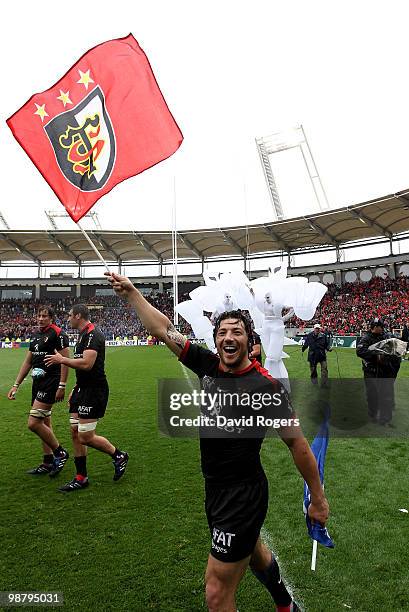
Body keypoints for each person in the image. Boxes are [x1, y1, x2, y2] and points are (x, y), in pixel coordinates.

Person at [106, 272, 329, 612]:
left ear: (248, 341)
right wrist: (134, 293)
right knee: (254, 552)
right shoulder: (208, 367)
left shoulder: (265, 387)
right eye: (222, 332)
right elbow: (163, 330)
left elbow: (297, 445)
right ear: (215, 339)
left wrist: (317, 497)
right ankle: (286, 605)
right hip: (215, 487)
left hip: (242, 493)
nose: (228, 336)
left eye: (236, 332)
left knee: (216, 592)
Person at [44, 304, 129, 492]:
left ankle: (118, 456)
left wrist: (62, 360)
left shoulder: (93, 334)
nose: (67, 319)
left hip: (94, 390)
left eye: (69, 316)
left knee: (85, 436)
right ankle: (81, 477)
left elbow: (88, 363)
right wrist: (75, 387)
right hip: (82, 389)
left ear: (79, 316)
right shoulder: (82, 334)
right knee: (75, 432)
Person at [7, 306, 70, 476]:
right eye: (39, 315)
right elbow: (28, 362)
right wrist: (16, 384)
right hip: (38, 383)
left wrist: (62, 385)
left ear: (51, 318)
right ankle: (48, 462)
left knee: (33, 423)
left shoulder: (58, 334)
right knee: (44, 423)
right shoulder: (35, 336)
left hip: (51, 382)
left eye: (44, 316)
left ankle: (60, 453)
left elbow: (65, 360)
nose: (40, 318)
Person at [356, 318, 401, 426]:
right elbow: (360, 351)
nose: (381, 329)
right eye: (379, 327)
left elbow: (395, 351)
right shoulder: (366, 338)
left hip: (385, 370)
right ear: (374, 327)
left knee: (386, 394)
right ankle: (373, 414)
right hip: (370, 371)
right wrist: (376, 355)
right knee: (372, 394)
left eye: (381, 327)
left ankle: (385, 418)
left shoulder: (387, 337)